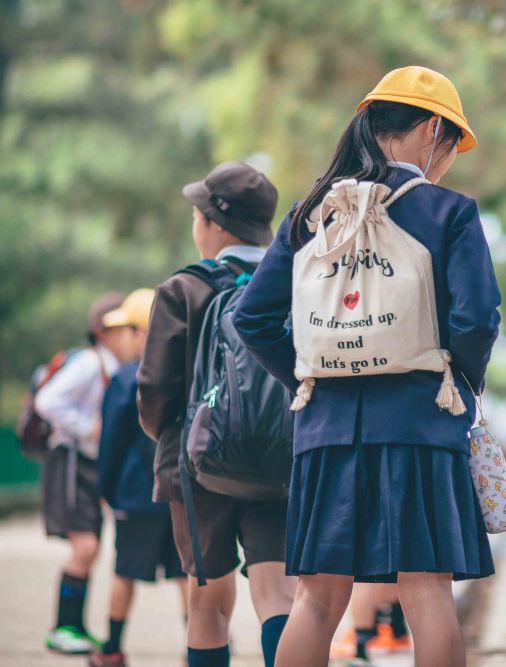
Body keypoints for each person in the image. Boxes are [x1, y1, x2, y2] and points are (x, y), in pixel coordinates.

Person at [233, 65, 501, 667]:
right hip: (419, 427)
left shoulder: (308, 215)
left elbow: (251, 318)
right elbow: (477, 320)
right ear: (433, 128)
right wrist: (456, 383)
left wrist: (310, 380)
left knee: (317, 599)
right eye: (453, 142)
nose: (450, 157)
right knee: (427, 590)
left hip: (325, 433)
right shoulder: (447, 213)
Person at [137, 161, 295, 667]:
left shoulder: (183, 289)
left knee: (208, 603)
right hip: (280, 460)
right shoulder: (294, 282)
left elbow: (155, 392)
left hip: (196, 465)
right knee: (278, 592)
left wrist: (171, 437)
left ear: (213, 222)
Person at [90, 288, 188, 667]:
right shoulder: (185, 370)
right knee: (186, 573)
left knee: (124, 571)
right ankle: (197, 646)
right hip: (179, 490)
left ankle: (112, 648)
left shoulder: (127, 376)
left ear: (144, 331)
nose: (123, 338)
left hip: (135, 492)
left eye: (129, 328)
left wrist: (104, 488)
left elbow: (111, 440)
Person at [35, 292, 133, 654]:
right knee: (86, 545)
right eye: (124, 328)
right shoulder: (91, 363)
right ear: (104, 332)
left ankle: (73, 626)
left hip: (87, 464)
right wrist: (87, 427)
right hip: (71, 460)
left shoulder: (109, 366)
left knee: (89, 546)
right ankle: (63, 627)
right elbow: (48, 401)